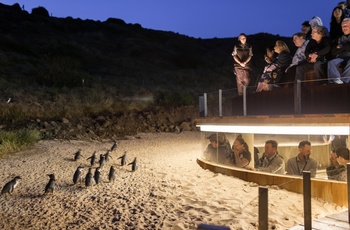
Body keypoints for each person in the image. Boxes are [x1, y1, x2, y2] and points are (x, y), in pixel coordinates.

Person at [328, 17, 350, 84]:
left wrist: (341, 47)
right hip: (341, 57)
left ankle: (344, 82)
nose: (344, 28)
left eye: (346, 26)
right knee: (331, 63)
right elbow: (333, 51)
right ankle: (335, 81)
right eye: (343, 26)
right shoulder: (339, 38)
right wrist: (345, 47)